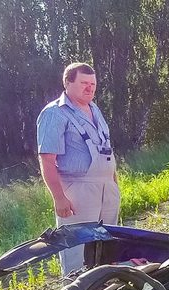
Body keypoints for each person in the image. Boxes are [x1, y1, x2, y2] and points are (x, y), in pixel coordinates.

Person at [37, 62, 120, 276]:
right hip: (78, 191)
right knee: (77, 250)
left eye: (93, 84)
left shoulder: (95, 109)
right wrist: (59, 197)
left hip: (107, 189)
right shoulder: (55, 113)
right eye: (84, 83)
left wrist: (113, 182)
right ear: (67, 83)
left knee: (107, 245)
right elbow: (47, 160)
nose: (90, 88)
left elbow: (106, 148)